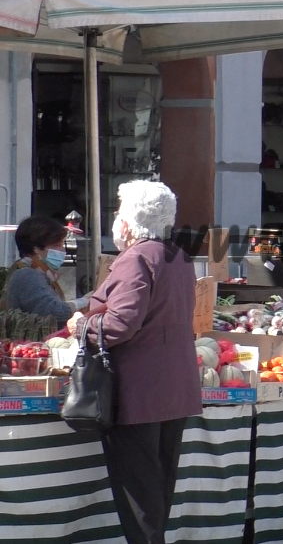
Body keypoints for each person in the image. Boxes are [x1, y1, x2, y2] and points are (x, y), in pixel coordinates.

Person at [65, 181, 201, 544]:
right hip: (174, 387)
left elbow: (120, 324)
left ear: (127, 223)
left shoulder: (137, 258)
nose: (116, 219)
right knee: (157, 489)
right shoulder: (178, 256)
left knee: (140, 495)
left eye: (118, 211)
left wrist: (82, 326)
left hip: (139, 391)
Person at [0, 215, 88, 320]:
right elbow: (54, 313)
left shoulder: (36, 272)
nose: (63, 250)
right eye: (57, 245)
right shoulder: (27, 275)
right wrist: (85, 301)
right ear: (36, 249)